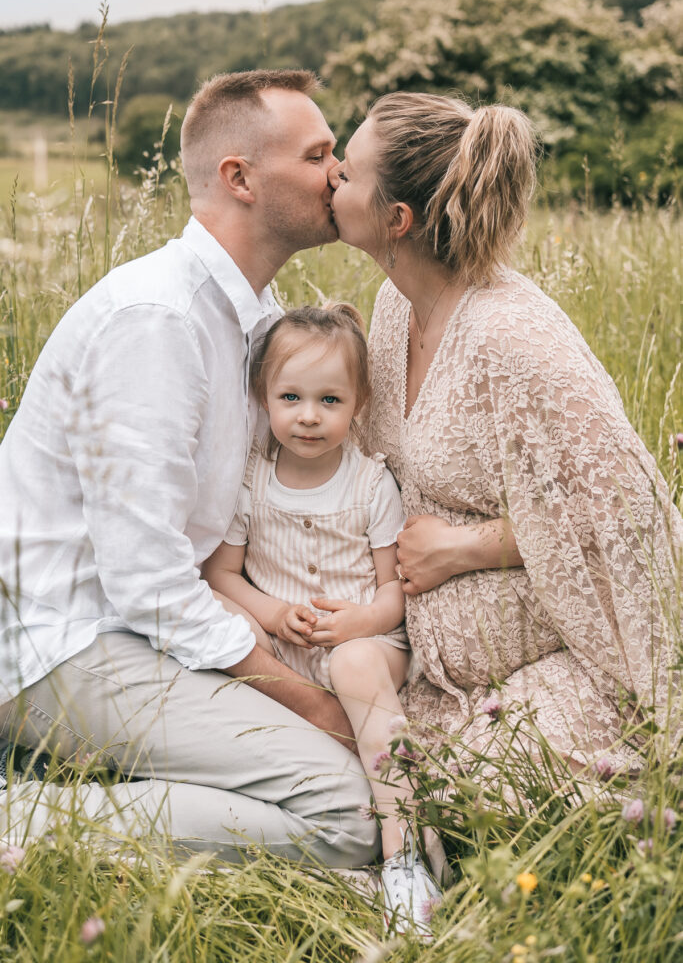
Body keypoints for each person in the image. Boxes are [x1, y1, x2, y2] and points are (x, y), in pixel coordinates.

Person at [0, 69, 382, 865]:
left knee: (356, 763)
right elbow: (146, 579)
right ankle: (26, 824)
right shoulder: (158, 319)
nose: (338, 172)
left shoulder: (261, 323)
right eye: (317, 155)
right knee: (345, 807)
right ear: (238, 178)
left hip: (139, 628)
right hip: (63, 640)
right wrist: (306, 702)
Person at [329, 92, 683, 775]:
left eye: (345, 173)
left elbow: (634, 516)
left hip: (583, 663)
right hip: (438, 663)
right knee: (362, 769)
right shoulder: (393, 308)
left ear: (395, 219)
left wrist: (465, 548)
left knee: (452, 792)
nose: (329, 182)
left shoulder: (512, 338)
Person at [203, 303, 439, 934]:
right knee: (227, 620)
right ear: (263, 398)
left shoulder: (370, 485)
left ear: (358, 404)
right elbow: (220, 575)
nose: (309, 416)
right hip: (287, 648)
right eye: (292, 397)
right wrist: (272, 612)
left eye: (330, 400)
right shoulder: (252, 480)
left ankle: (404, 854)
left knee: (356, 663)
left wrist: (359, 623)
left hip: (366, 645)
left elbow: (396, 595)